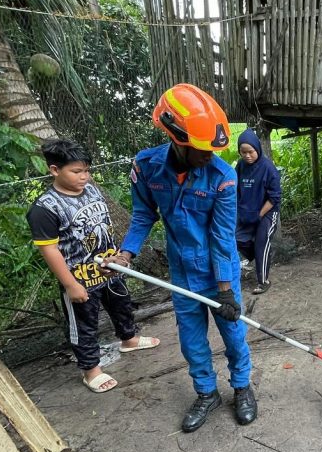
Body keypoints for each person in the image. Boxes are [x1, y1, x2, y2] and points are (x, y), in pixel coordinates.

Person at [105, 84, 257, 431]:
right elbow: (144, 215)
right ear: (178, 140)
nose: (210, 156)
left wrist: (224, 291)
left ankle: (242, 387)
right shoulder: (146, 167)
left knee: (233, 335)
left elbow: (221, 237)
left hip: (220, 272)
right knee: (190, 340)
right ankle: (206, 392)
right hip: (182, 272)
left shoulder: (223, 177)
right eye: (202, 150)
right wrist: (126, 252)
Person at [27, 139, 159, 393]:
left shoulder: (91, 190)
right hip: (80, 278)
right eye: (76, 172)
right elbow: (49, 250)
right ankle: (91, 370)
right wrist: (70, 284)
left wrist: (119, 258)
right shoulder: (45, 208)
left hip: (110, 268)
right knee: (84, 324)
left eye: (87, 170)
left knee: (122, 305)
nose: (84, 176)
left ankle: (129, 339)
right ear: (55, 170)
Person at [235, 128, 281, 294]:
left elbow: (274, 198)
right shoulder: (240, 166)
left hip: (267, 212)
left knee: (261, 242)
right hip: (247, 211)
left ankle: (263, 281)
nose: (247, 156)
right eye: (243, 152)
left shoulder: (268, 168)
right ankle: (259, 257)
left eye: (251, 152)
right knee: (235, 239)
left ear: (257, 149)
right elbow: (236, 190)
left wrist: (259, 215)